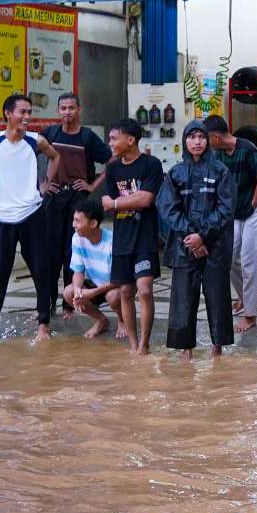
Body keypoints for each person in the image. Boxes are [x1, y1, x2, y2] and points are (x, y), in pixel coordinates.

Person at [0, 94, 61, 346]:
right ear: (8, 114)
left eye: (29, 112)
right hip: (4, 216)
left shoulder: (35, 140)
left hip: (33, 213)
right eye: (22, 112)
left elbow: (55, 157)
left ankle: (43, 325)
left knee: (41, 269)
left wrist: (46, 184)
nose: (27, 117)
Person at [159, 119, 237, 357]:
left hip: (215, 246)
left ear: (208, 141)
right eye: (191, 137)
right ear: (184, 141)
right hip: (185, 247)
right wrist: (191, 237)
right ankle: (186, 350)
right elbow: (167, 208)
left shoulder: (220, 171)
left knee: (217, 296)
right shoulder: (175, 173)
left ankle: (218, 348)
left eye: (201, 137)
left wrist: (202, 237)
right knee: (183, 298)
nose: (197, 142)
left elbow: (226, 208)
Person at [42, 92, 111, 313]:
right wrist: (41, 184)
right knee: (50, 251)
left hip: (77, 198)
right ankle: (46, 304)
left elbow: (112, 159)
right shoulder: (50, 133)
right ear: (58, 111)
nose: (67, 112)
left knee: (71, 252)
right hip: (53, 198)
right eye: (63, 108)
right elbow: (25, 155)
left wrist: (92, 186)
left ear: (79, 110)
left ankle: (69, 305)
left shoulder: (88, 137)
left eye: (72, 108)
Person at [101, 118, 165, 355]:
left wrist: (117, 202)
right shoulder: (113, 168)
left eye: (114, 138)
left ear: (130, 140)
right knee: (126, 292)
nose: (110, 143)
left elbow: (146, 199)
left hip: (145, 237)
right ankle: (132, 345)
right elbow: (104, 202)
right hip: (122, 239)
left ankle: (144, 345)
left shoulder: (151, 164)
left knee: (145, 290)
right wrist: (123, 202)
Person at [208, 115, 257, 332]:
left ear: (215, 137)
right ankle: (245, 299)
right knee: (229, 256)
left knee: (249, 260)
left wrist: (251, 205)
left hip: (254, 208)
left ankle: (250, 316)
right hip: (234, 213)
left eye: (206, 138)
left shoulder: (247, 149)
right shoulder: (218, 155)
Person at [64, 196, 121, 339]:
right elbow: (78, 271)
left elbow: (119, 280)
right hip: (96, 284)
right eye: (73, 219)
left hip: (115, 285)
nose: (73, 225)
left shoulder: (112, 242)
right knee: (69, 292)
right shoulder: (77, 238)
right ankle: (101, 320)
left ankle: (122, 319)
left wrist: (92, 293)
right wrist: (78, 290)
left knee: (113, 296)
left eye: (77, 221)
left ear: (93, 223)